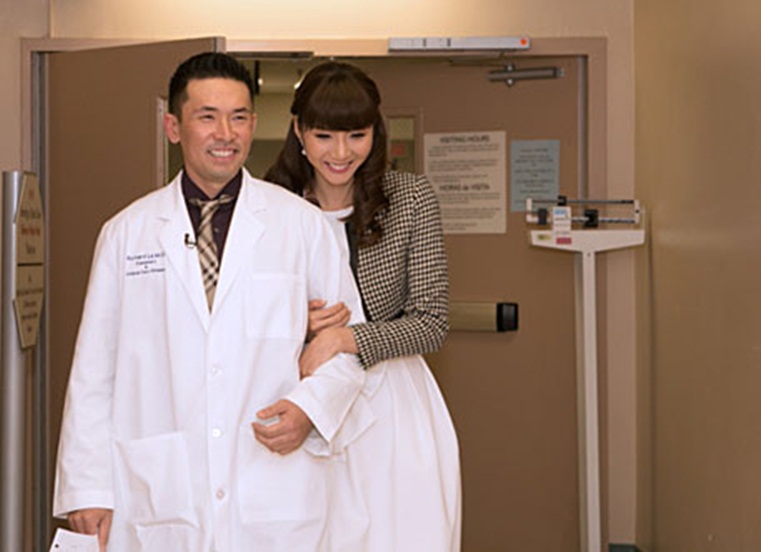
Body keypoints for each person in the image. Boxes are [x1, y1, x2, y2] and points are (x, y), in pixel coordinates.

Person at [52, 52, 368, 551]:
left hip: (273, 487)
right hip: (161, 488)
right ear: (173, 127)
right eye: (208, 117)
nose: (226, 133)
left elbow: (348, 349)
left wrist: (310, 410)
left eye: (239, 117)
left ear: (254, 125)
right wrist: (87, 489)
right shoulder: (126, 233)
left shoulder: (302, 226)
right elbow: (94, 372)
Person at [266, 61, 462, 551]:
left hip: (394, 401)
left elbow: (432, 321)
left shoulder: (410, 199)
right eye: (324, 136)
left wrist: (343, 337)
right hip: (300, 396)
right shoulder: (270, 206)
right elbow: (236, 315)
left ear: (376, 132)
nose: (341, 153)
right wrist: (299, 327)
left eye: (357, 135)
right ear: (298, 131)